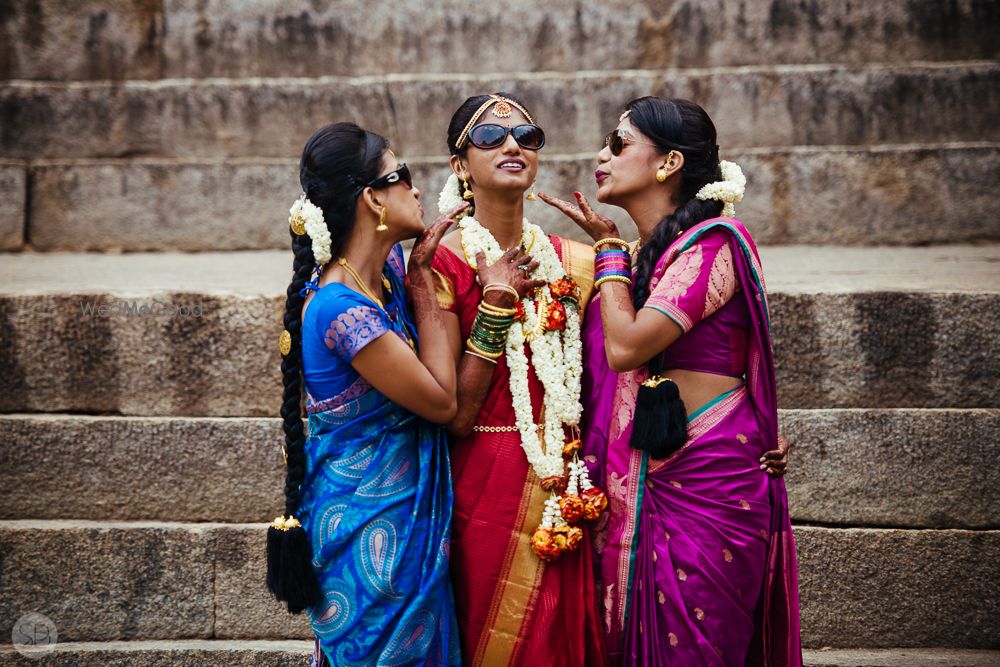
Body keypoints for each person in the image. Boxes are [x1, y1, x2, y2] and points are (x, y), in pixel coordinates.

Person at [540, 96, 802, 666]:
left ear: (668, 164)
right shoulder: (641, 255)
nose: (600, 155)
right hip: (644, 476)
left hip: (709, 481)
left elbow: (628, 344)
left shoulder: (714, 245)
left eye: (618, 143)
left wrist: (607, 250)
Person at [265, 122, 468, 666]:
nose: (417, 189)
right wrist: (424, 282)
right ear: (373, 198)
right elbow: (443, 401)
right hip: (370, 532)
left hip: (401, 522)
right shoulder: (340, 307)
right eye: (401, 176)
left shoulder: (380, 278)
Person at [429, 93, 607, 666]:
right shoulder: (442, 263)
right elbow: (453, 409)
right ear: (460, 166)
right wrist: (496, 305)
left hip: (566, 478)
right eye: (490, 138)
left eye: (527, 136)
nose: (512, 145)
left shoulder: (573, 261)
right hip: (484, 476)